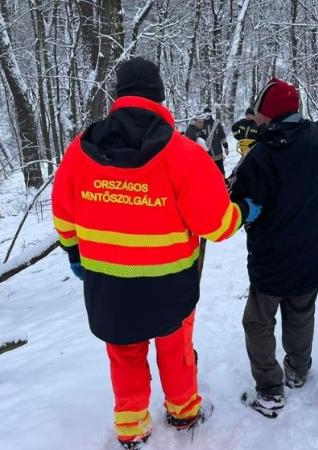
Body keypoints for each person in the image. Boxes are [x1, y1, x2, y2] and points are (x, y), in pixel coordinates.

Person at [51, 57, 260, 449]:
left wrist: (74, 252)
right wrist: (243, 212)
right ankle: (184, 411)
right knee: (175, 349)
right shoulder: (184, 154)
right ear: (159, 97)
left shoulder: (80, 150)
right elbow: (215, 225)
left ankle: (131, 427)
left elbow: (63, 213)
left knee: (124, 353)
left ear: (118, 97)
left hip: (107, 284)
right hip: (170, 283)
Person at [228, 78, 318, 418]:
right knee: (301, 312)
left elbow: (232, 199)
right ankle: (298, 370)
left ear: (268, 114)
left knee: (258, 321)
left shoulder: (260, 156)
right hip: (316, 253)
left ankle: (270, 390)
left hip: (273, 261)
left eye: (258, 111)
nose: (254, 116)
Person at [201, 108, 229, 175]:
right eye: (205, 114)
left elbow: (222, 136)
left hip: (218, 152)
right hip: (208, 154)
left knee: (221, 170)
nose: (207, 115)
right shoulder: (201, 125)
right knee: (211, 172)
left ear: (210, 114)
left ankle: (223, 180)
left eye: (208, 113)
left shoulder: (216, 124)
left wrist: (226, 147)